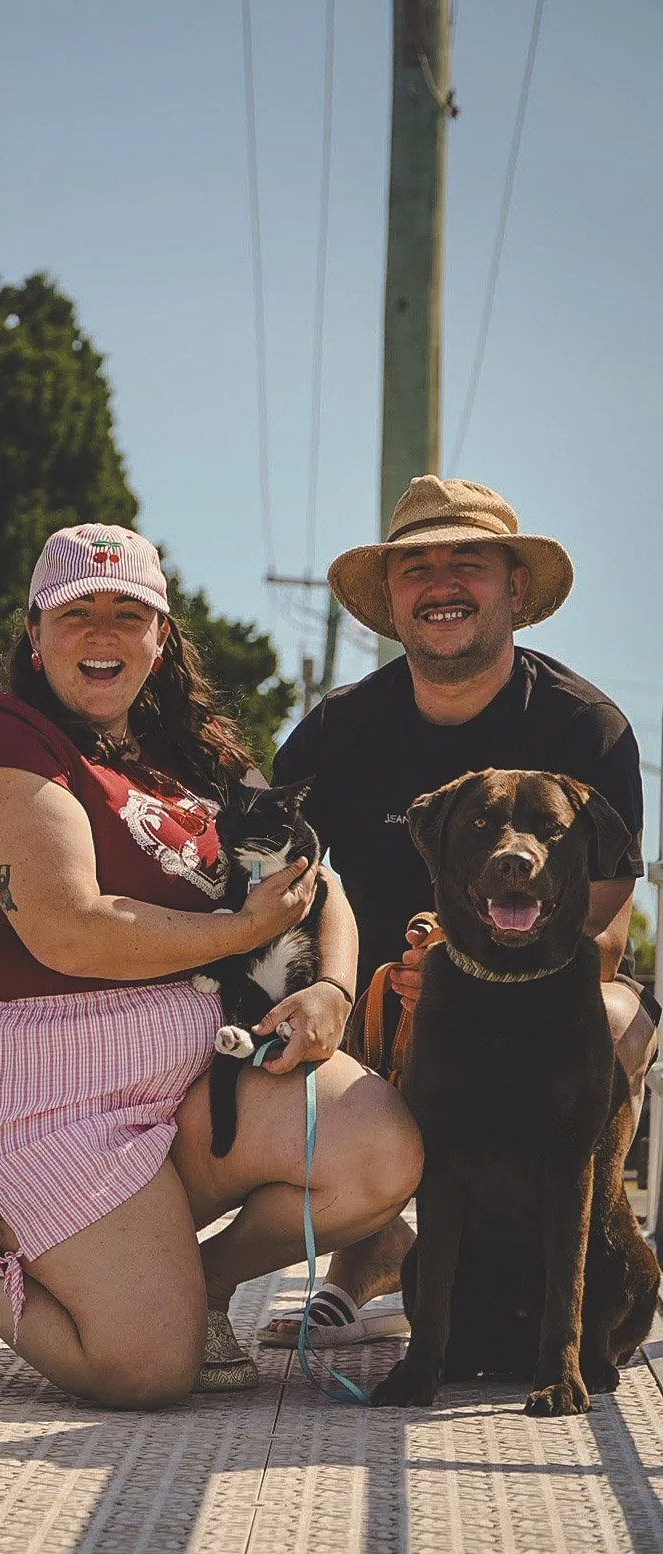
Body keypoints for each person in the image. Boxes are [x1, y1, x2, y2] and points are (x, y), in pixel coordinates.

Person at [0, 523, 422, 1409]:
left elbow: (314, 878)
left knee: (380, 1147)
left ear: (161, 635)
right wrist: (237, 928)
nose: (102, 634)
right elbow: (72, 931)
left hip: (193, 1065)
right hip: (42, 1081)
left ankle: (195, 1285)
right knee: (144, 1369)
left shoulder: (197, 751)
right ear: (35, 632)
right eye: (76, 613)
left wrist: (329, 984)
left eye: (127, 613)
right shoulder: (0, 742)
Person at [256, 474, 660, 1352]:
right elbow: (267, 875)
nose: (440, 584)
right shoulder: (336, 729)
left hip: (541, 1004)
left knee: (622, 1018)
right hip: (375, 1009)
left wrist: (459, 972)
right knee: (280, 1024)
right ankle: (365, 1258)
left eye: (465, 562)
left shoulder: (586, 729)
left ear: (514, 588)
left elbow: (604, 933)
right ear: (393, 600)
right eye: (415, 568)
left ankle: (565, 1283)